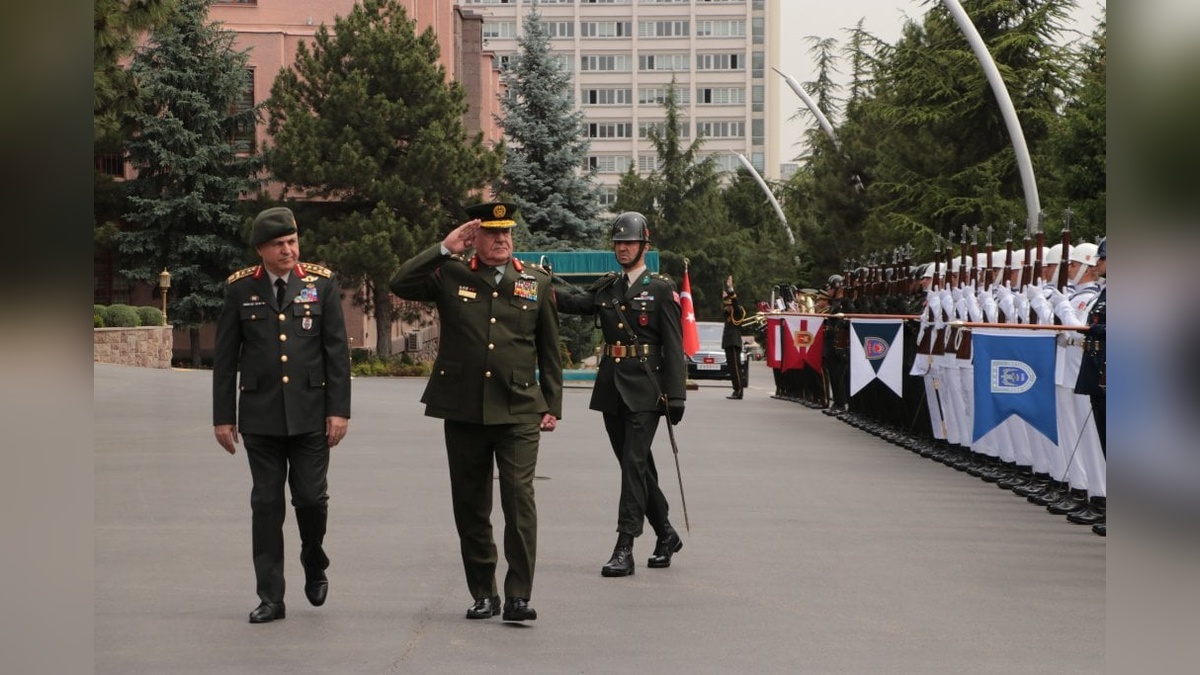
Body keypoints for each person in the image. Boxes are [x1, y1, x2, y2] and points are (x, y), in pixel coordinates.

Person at [389, 202, 562, 622]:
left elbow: (549, 349)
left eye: (506, 233)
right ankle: (483, 592)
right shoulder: (452, 274)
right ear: (475, 238)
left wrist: (551, 404)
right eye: (491, 233)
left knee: (519, 501)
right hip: (463, 406)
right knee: (470, 504)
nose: (501, 240)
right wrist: (444, 248)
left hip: (519, 408)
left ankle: (519, 594)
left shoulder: (534, 282)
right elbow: (400, 282)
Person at [212, 206, 352, 624]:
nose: (289, 250)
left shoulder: (321, 285)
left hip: (312, 416)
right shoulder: (240, 290)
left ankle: (314, 559)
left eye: (292, 241)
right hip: (260, 416)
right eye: (279, 244)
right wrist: (223, 417)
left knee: (310, 499)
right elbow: (225, 359)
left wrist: (339, 411)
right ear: (261, 250)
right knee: (267, 504)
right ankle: (271, 596)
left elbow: (336, 354)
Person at [554, 211, 687, 577]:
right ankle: (666, 533)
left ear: (645, 245)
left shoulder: (660, 289)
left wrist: (676, 396)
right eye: (618, 243)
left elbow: (673, 345)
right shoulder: (610, 286)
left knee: (633, 463)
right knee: (636, 464)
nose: (622, 248)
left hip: (647, 387)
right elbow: (578, 303)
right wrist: (539, 285)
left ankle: (624, 545)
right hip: (612, 386)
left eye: (628, 243)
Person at [721, 275, 749, 399]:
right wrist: (726, 295)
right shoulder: (727, 313)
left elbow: (736, 303)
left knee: (736, 368)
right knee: (732, 368)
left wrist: (730, 289)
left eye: (727, 305)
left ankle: (739, 391)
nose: (725, 307)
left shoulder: (737, 312)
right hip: (728, 343)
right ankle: (735, 389)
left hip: (733, 342)